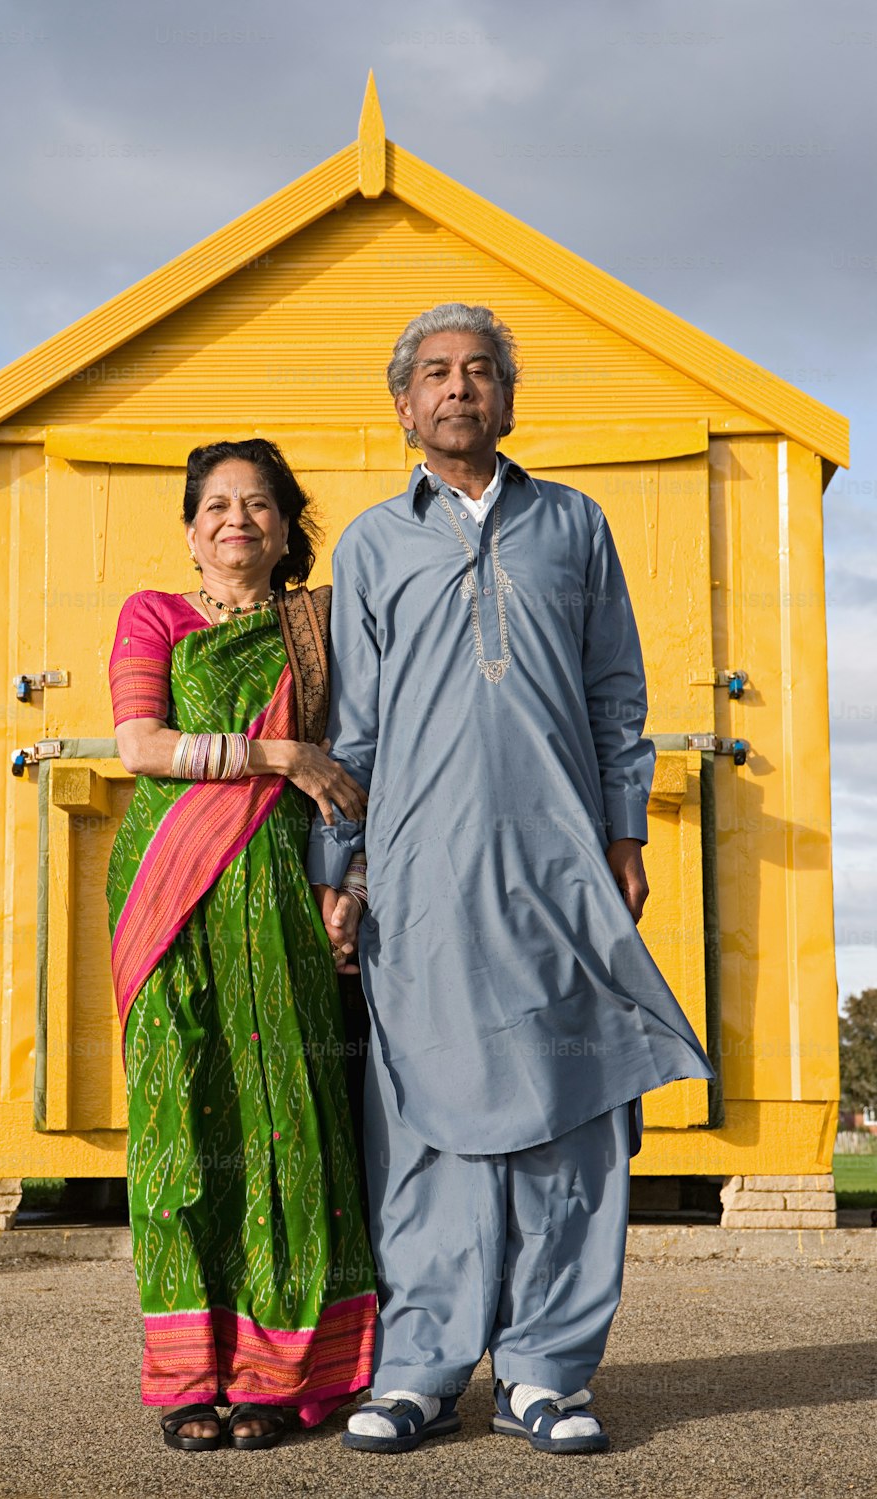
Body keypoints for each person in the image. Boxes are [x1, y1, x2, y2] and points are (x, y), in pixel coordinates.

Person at [308, 304, 714, 1456]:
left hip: (556, 862)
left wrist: (623, 836)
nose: (457, 388)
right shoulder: (374, 543)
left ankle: (547, 1368)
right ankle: (422, 1367)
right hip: (424, 867)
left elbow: (615, 694)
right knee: (424, 1115)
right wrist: (343, 869)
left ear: (506, 398)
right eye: (434, 373)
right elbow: (359, 724)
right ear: (402, 404)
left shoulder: (574, 525)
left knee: (568, 1109)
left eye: (479, 371)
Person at [106, 438, 376, 1453]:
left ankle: (275, 1373)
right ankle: (187, 1378)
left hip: (278, 889)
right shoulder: (154, 614)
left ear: (285, 525)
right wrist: (277, 752)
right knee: (179, 1113)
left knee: (288, 1119)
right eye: (216, 505)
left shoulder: (317, 630)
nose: (236, 520)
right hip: (166, 890)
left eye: (258, 505)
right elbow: (141, 747)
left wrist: (344, 884)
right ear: (189, 529)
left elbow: (355, 766)